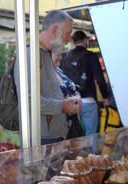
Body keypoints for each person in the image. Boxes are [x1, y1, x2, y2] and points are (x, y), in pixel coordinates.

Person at [14, 10, 81, 145]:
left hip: (52, 136)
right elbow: (28, 100)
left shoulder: (43, 53)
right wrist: (62, 106)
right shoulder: (31, 54)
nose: (69, 39)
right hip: (42, 139)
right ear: (55, 29)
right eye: (68, 33)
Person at [60, 30, 110, 136]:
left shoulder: (64, 57)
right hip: (88, 102)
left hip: (70, 103)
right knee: (90, 137)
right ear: (85, 40)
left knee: (75, 137)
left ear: (73, 42)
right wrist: (105, 97)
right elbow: (100, 79)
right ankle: (90, 152)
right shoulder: (90, 56)